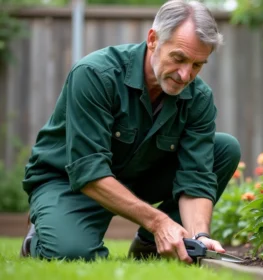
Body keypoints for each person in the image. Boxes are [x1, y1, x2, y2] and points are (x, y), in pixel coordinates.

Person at [20, 0, 241, 264]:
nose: (185, 75)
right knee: (72, 254)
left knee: (224, 149)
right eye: (179, 59)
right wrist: (159, 221)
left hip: (137, 178)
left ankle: (149, 247)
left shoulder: (198, 98)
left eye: (197, 65)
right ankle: (38, 237)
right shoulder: (95, 74)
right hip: (68, 181)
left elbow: (196, 177)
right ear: (152, 39)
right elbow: (88, 170)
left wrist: (199, 236)